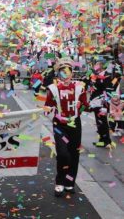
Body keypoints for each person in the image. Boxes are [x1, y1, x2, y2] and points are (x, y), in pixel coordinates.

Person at [44, 58, 89, 197]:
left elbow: (84, 104)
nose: (66, 74)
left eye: (68, 71)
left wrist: (80, 106)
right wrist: (46, 109)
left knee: (74, 154)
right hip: (59, 124)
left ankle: (69, 182)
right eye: (62, 71)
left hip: (75, 123)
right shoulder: (53, 88)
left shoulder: (80, 87)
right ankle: (60, 182)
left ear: (71, 73)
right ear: (58, 74)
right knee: (63, 154)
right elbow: (48, 105)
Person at [89, 62, 113, 148]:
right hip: (95, 102)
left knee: (103, 122)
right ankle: (101, 140)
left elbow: (108, 89)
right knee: (98, 122)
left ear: (101, 66)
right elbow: (92, 87)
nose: (96, 66)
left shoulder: (106, 75)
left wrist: (105, 102)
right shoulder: (95, 76)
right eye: (95, 65)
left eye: (97, 64)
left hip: (102, 102)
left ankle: (107, 141)